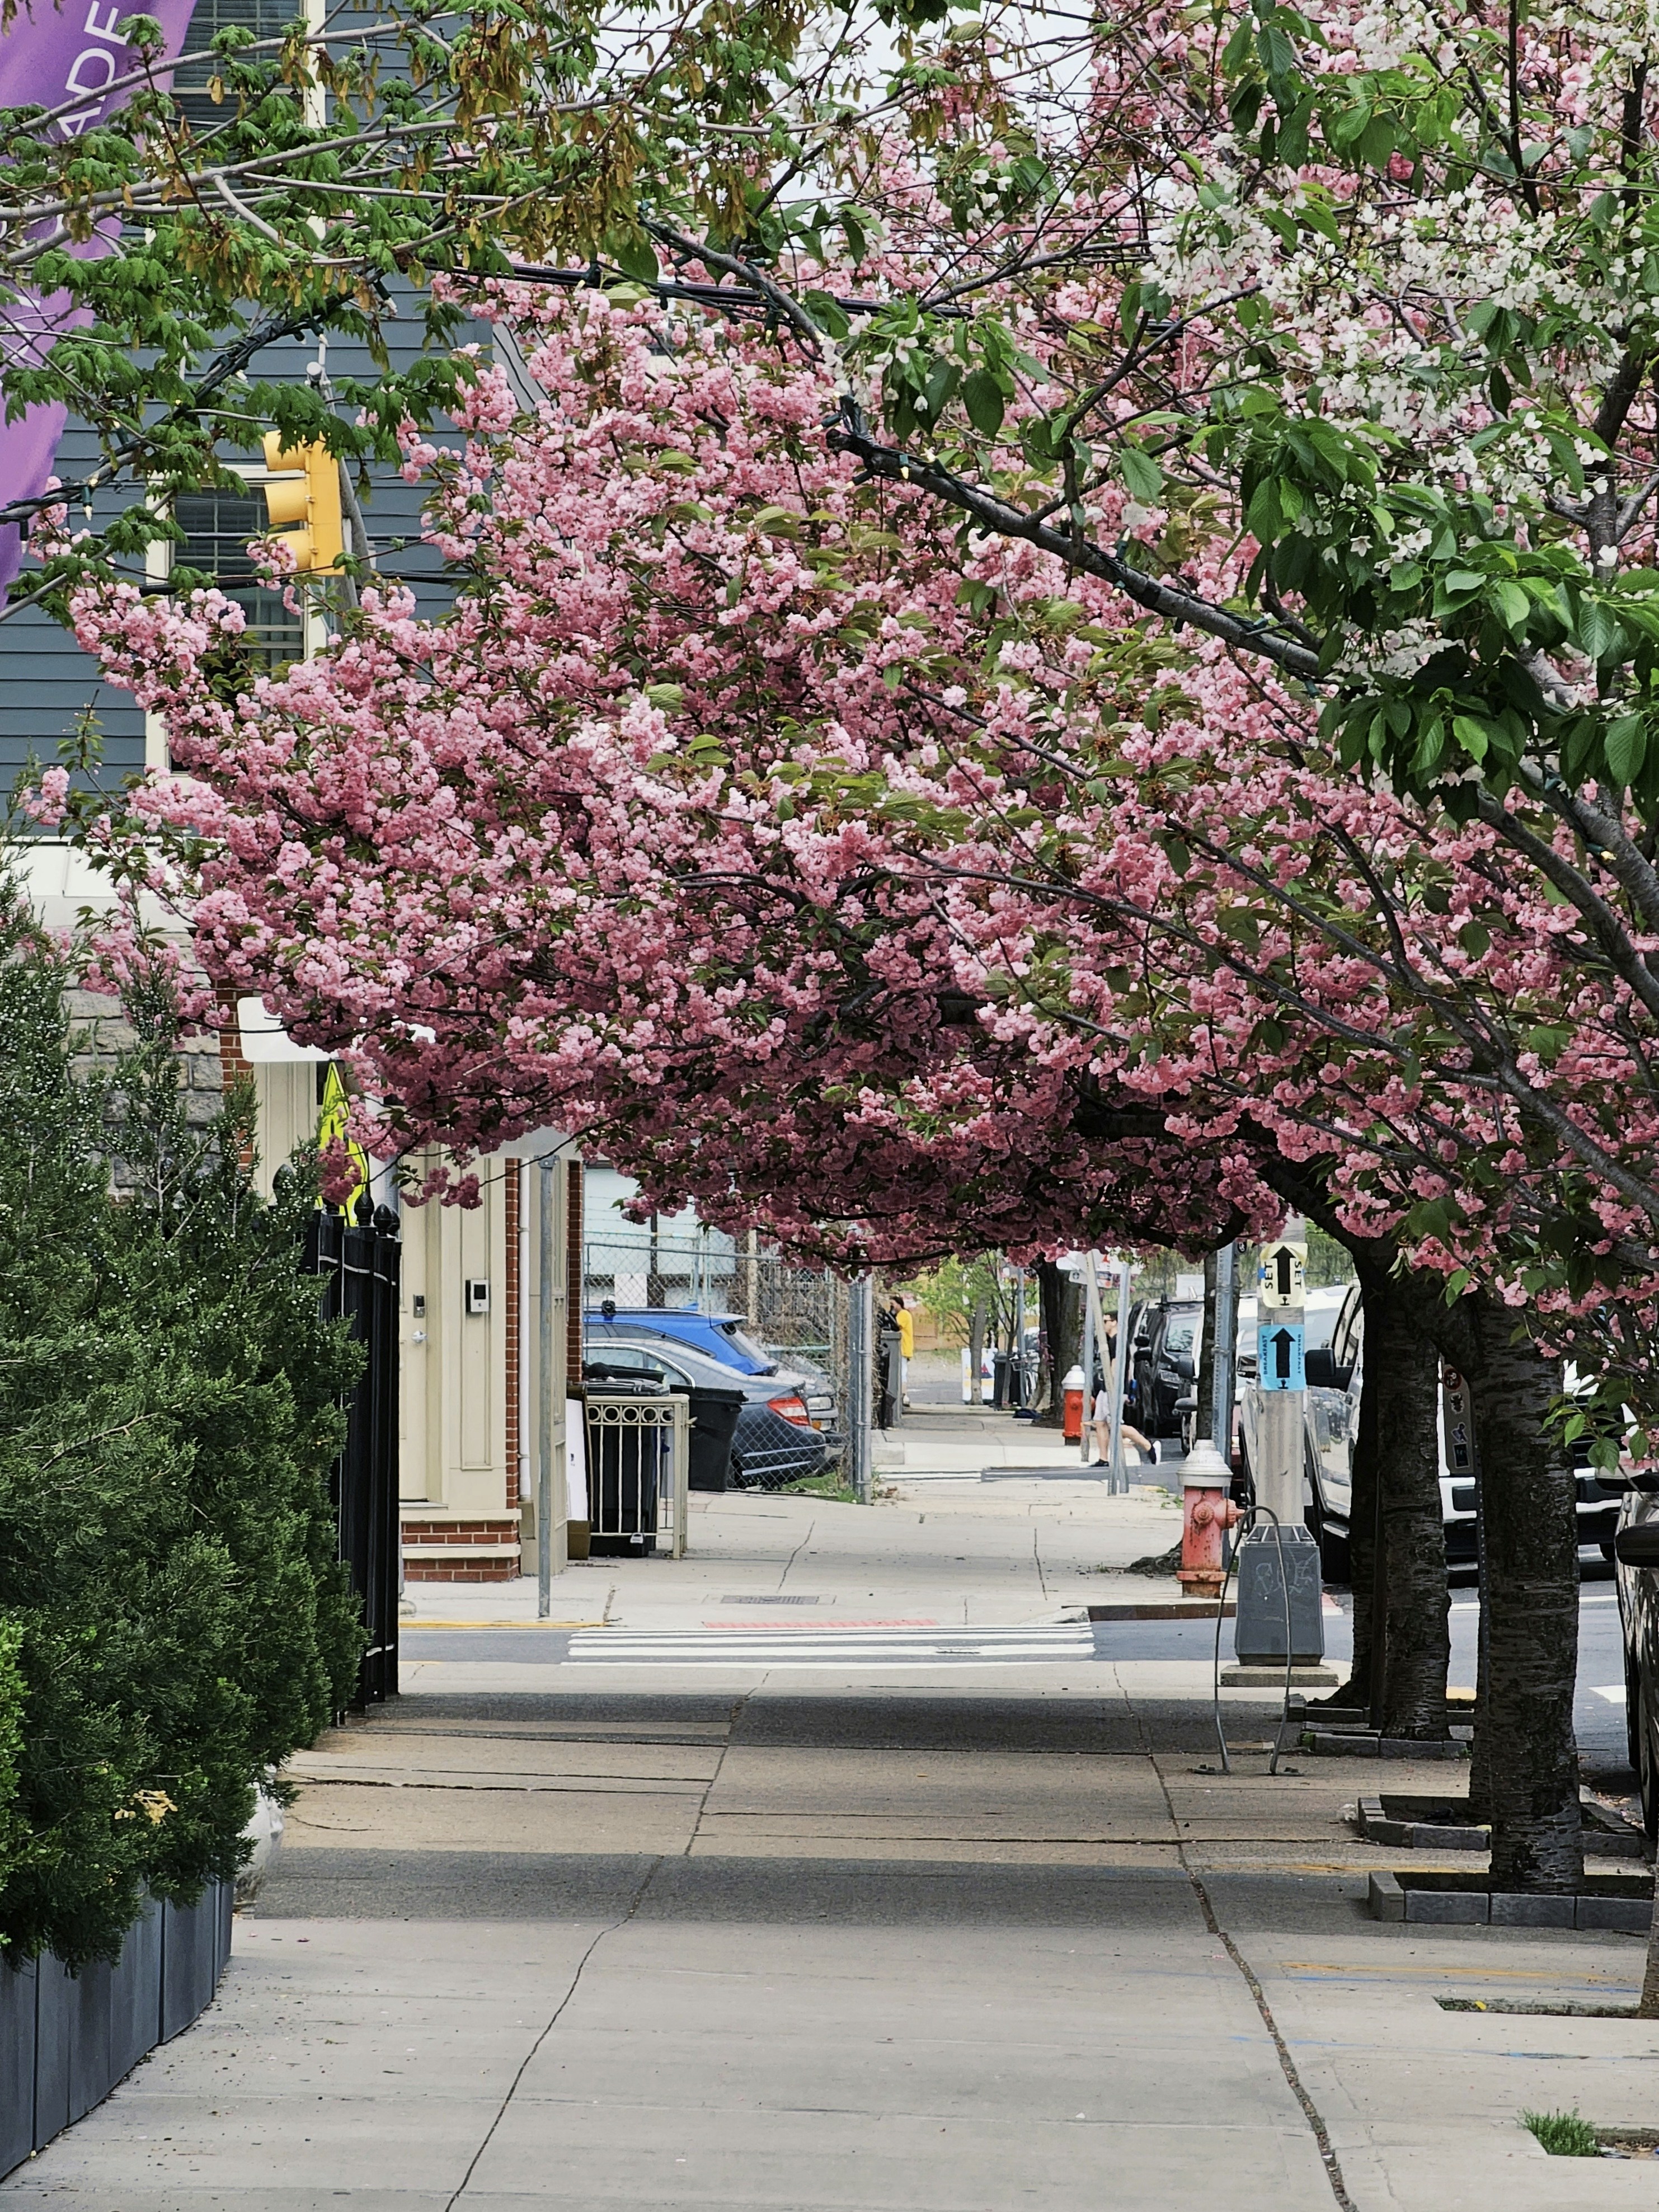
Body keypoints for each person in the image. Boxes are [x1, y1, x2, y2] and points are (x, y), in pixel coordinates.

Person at [1093, 1310, 1156, 1464]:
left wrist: (1114, 1386)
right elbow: (1128, 1369)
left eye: (1106, 1321)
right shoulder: (1113, 1341)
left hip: (1112, 1387)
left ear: (1114, 1322)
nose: (1103, 1325)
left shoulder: (1117, 1342)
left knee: (1114, 1425)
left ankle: (1148, 1446)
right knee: (1100, 1422)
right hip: (1106, 1387)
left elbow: (1116, 1365)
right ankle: (1103, 1458)